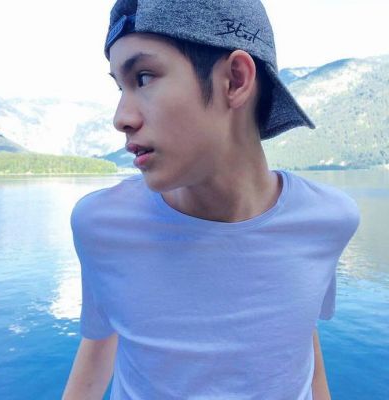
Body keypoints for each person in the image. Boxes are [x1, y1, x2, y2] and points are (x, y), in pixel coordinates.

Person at [63, 0, 360, 399]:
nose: (121, 118)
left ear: (235, 80)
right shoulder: (100, 223)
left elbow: (299, 335)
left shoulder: (330, 220)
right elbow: (101, 339)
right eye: (121, 86)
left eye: (144, 77)